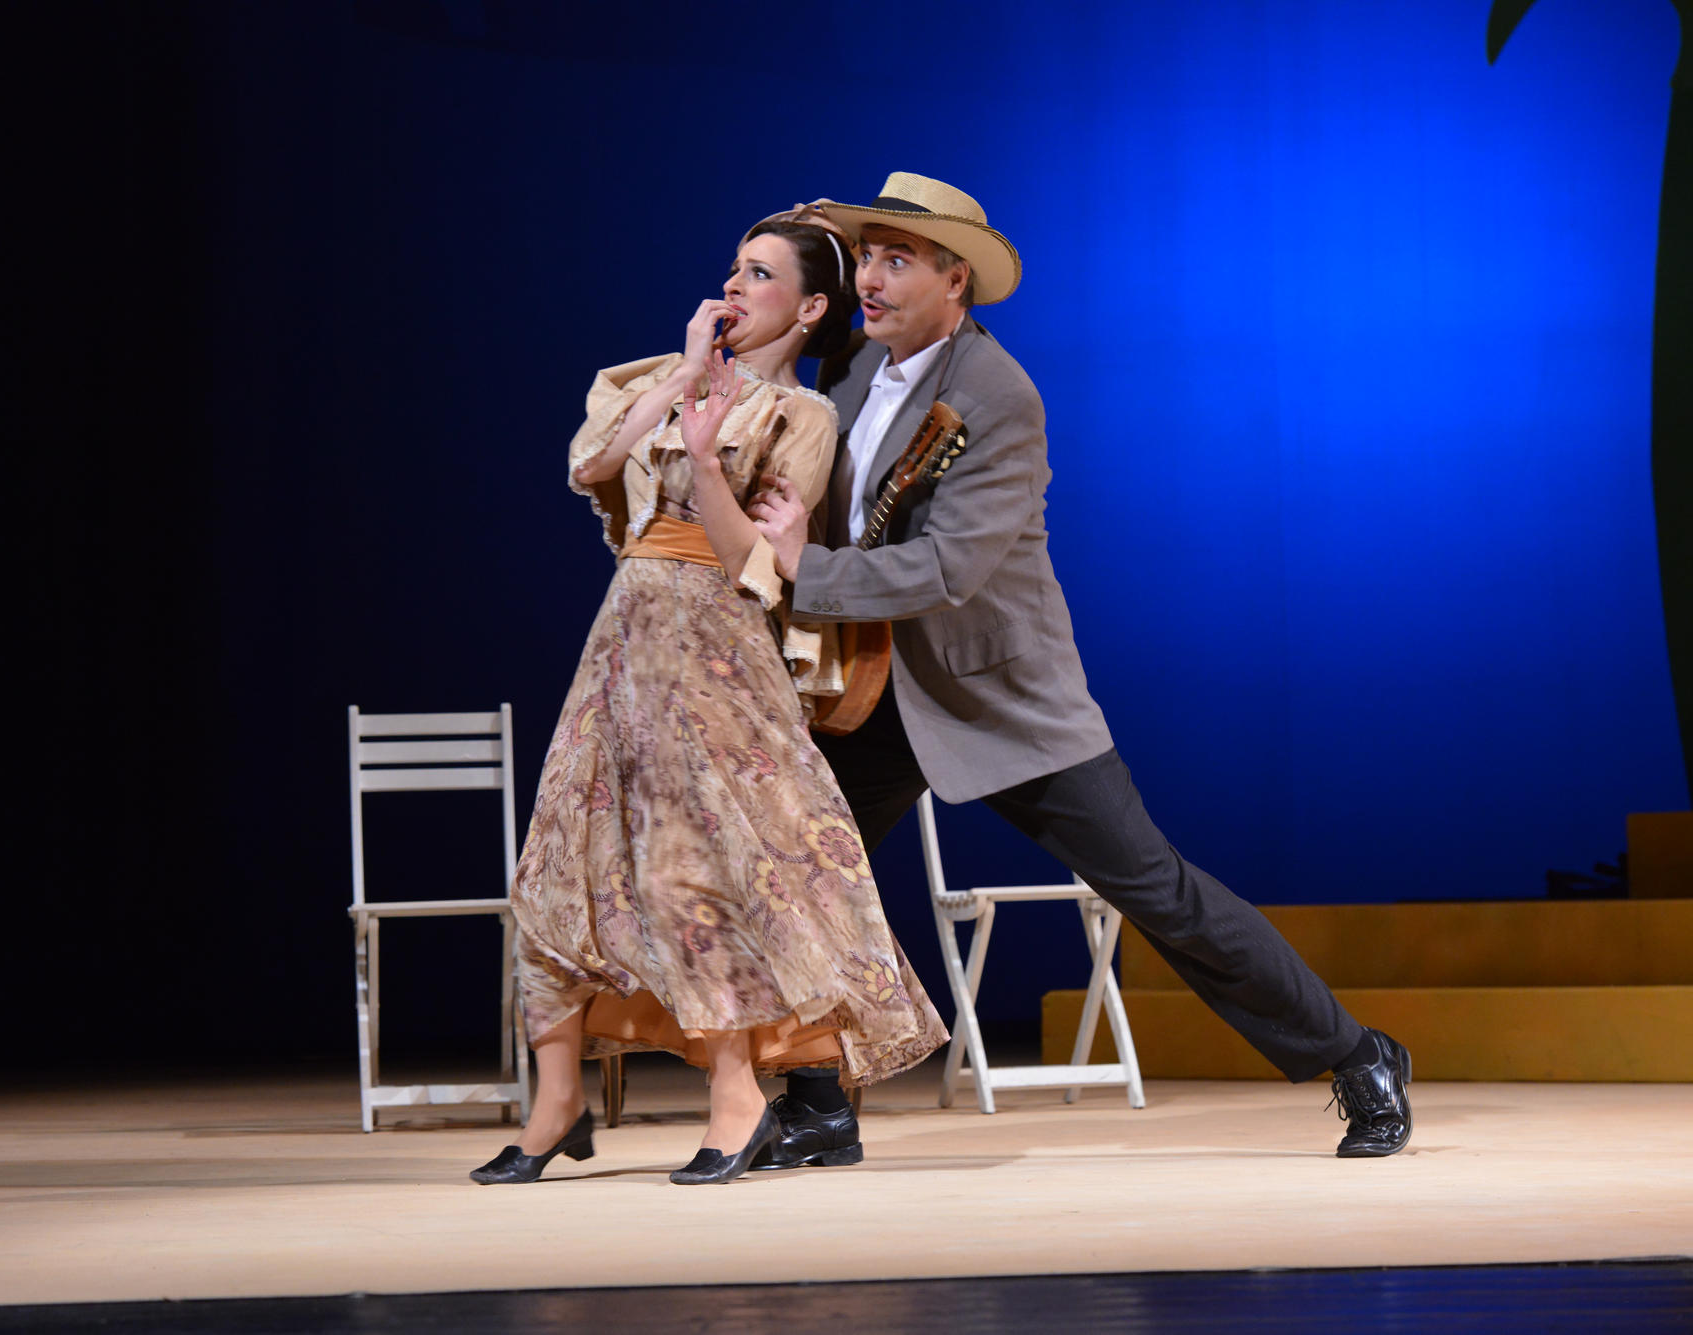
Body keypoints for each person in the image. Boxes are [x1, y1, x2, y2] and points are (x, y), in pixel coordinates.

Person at [746, 173, 1414, 1166]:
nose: (871, 280)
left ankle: (1357, 1056)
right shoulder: (850, 369)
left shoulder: (996, 395)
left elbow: (949, 567)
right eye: (867, 258)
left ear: (955, 280)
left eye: (898, 260)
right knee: (792, 866)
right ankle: (816, 1102)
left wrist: (807, 567)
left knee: (1157, 892)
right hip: (879, 691)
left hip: (998, 692)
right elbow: (792, 313)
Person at [470, 213, 947, 1187]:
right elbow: (590, 466)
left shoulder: (803, 417)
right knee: (556, 861)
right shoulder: (666, 380)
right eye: (733, 268)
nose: (734, 286)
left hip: (714, 646)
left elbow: (753, 565)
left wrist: (704, 461)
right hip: (624, 637)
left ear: (808, 309)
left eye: (759, 274)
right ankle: (556, 1103)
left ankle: (738, 1098)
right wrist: (684, 382)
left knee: (694, 872)